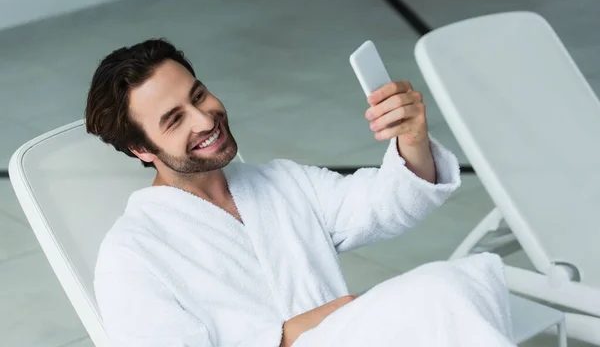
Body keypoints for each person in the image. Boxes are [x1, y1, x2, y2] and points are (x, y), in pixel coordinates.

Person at [86, 39, 515, 346]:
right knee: (439, 293)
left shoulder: (280, 184)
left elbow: (386, 204)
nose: (204, 120)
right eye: (174, 120)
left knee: (451, 286)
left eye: (199, 96)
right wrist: (291, 334)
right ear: (141, 149)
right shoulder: (132, 255)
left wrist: (411, 138)